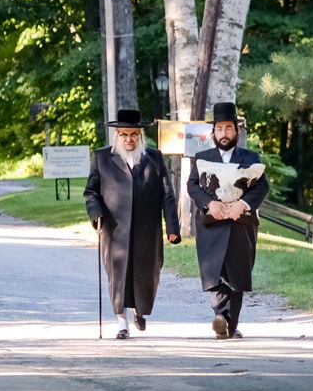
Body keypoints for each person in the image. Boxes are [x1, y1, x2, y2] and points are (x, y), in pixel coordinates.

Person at [84, 108, 181, 340]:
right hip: (115, 230)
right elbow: (91, 191)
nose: (129, 139)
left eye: (133, 134)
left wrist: (173, 228)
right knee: (118, 276)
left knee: (146, 274)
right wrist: (96, 213)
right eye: (124, 134)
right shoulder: (102, 158)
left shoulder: (154, 157)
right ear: (117, 135)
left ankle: (140, 310)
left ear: (140, 135)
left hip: (147, 229)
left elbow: (167, 194)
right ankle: (122, 324)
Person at [186, 102, 270, 339]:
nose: (224, 133)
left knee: (237, 274)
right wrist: (209, 203)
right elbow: (192, 185)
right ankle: (222, 318)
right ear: (213, 132)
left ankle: (228, 325)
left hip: (241, 225)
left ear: (237, 130)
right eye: (219, 129)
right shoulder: (202, 158)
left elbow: (262, 186)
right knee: (214, 272)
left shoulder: (250, 158)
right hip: (211, 224)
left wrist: (242, 204)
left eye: (228, 128)